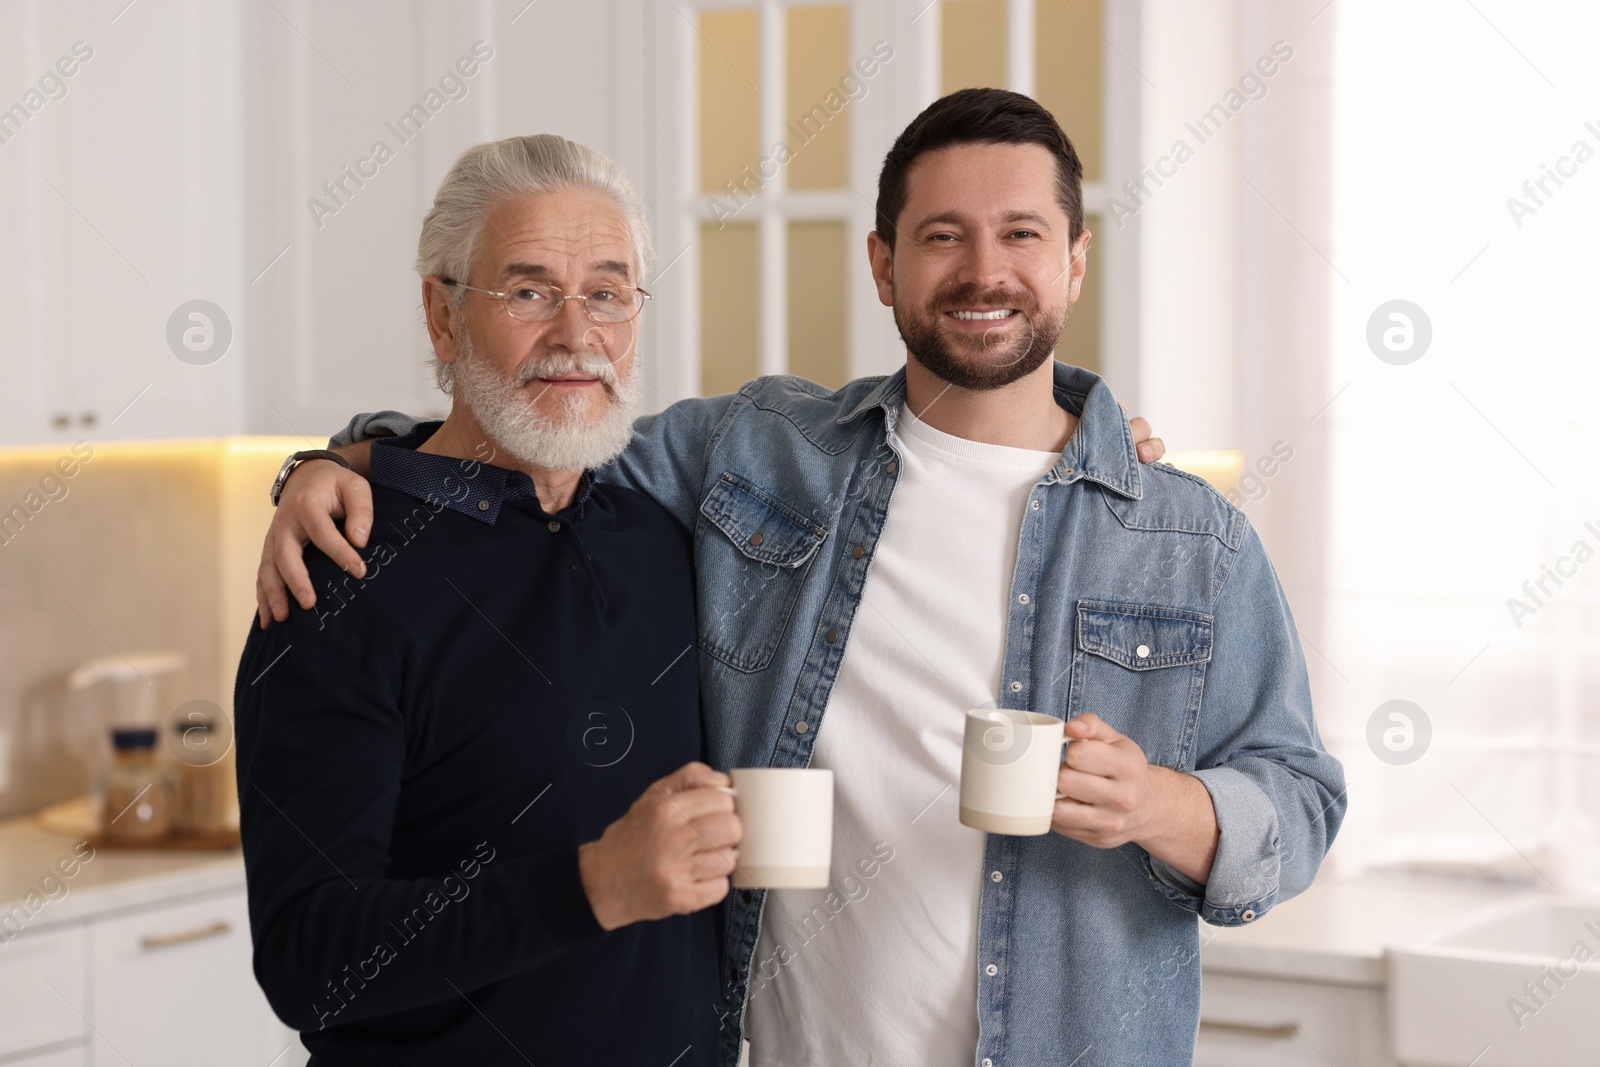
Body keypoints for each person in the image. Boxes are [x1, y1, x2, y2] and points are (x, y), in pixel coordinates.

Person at [258, 89, 1343, 1067]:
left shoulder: (1187, 537)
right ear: (883, 263)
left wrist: (1162, 801)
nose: (983, 271)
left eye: (1021, 233)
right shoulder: (760, 458)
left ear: (1073, 260)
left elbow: (1300, 797)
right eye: (940, 236)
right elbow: (534, 433)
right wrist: (338, 464)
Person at [234, 135, 740, 1066]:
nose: (577, 335)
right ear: (442, 313)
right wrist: (593, 883)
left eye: (609, 291)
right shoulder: (338, 566)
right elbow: (309, 959)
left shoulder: (666, 540)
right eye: (529, 290)